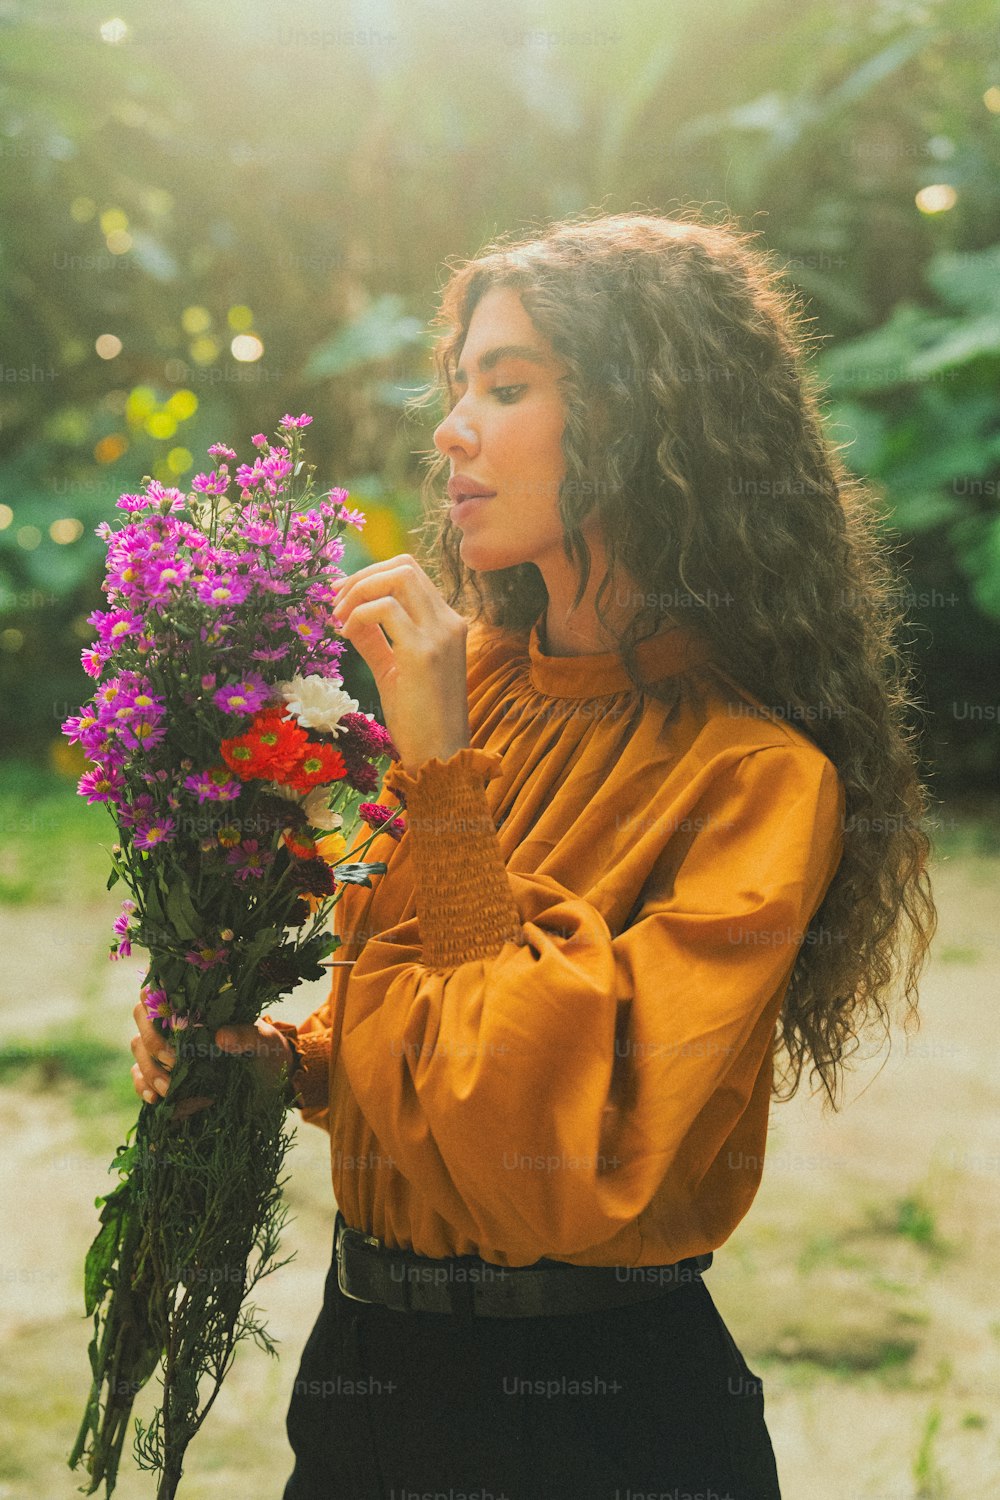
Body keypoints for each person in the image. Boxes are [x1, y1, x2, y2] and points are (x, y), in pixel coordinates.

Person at [129, 211, 937, 1500]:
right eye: (458, 388)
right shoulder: (479, 687)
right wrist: (281, 1066)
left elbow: (545, 1162)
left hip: (598, 1427)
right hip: (364, 1379)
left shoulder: (760, 782)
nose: (452, 429)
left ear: (648, 425)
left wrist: (446, 781)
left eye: (507, 388)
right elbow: (428, 1002)